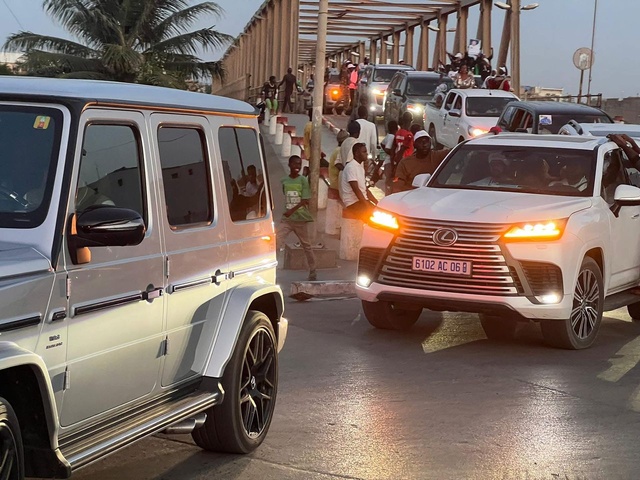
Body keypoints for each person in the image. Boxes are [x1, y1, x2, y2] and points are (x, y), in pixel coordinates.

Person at [276, 155, 317, 281]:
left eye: (299, 164)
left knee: (306, 245)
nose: (297, 167)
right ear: (289, 165)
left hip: (299, 218)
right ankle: (272, 269)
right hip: (287, 219)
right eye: (294, 164)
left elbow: (304, 200)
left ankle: (313, 269)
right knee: (277, 241)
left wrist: (291, 211)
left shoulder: (303, 180)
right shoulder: (284, 180)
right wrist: (288, 213)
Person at [340, 143, 378, 219]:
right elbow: (356, 190)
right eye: (364, 152)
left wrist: (377, 203)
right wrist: (367, 205)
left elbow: (365, 189)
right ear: (357, 153)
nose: (367, 154)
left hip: (361, 201)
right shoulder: (351, 167)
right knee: (374, 219)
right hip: (352, 202)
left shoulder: (360, 167)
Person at [381, 120, 398, 194]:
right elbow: (387, 148)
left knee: (389, 181)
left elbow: (382, 144)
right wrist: (392, 154)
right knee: (389, 182)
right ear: (396, 128)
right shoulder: (392, 137)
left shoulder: (388, 136)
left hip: (386, 162)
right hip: (389, 163)